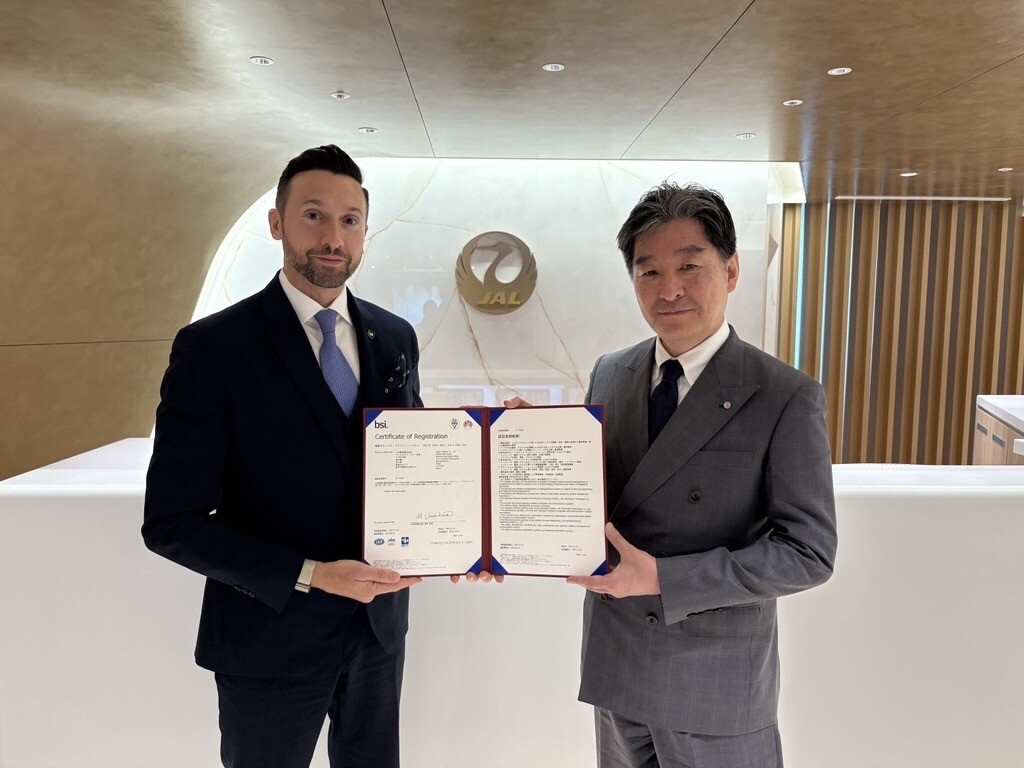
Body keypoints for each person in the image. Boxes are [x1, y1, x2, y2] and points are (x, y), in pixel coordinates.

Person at [143, 145, 423, 768]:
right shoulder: (214, 348)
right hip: (267, 638)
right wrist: (313, 573)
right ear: (277, 223)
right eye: (313, 216)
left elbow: (416, 461)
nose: (333, 238)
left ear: (365, 232)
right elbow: (171, 522)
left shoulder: (394, 336)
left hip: (378, 634)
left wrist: (466, 530)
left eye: (350, 220)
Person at [564, 183, 837, 767]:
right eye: (649, 272)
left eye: (689, 266)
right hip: (617, 667)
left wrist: (666, 578)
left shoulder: (784, 395)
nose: (670, 290)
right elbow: (594, 497)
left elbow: (808, 553)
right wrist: (519, 449)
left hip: (713, 683)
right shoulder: (610, 373)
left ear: (731, 270)